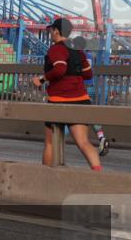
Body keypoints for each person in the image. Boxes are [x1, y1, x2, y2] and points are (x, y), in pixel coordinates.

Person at [32, 19, 103, 170]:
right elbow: (88, 74)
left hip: (59, 100)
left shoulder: (56, 49)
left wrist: (41, 79)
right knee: (83, 142)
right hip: (81, 99)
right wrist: (74, 76)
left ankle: (45, 178)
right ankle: (99, 176)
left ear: (56, 31)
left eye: (51, 30)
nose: (50, 33)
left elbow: (59, 69)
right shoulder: (77, 50)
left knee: (51, 143)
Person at [70, 36, 110, 157]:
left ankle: (59, 139)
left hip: (79, 89)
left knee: (66, 113)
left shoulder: (75, 56)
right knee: (90, 114)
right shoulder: (89, 56)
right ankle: (101, 136)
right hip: (91, 86)